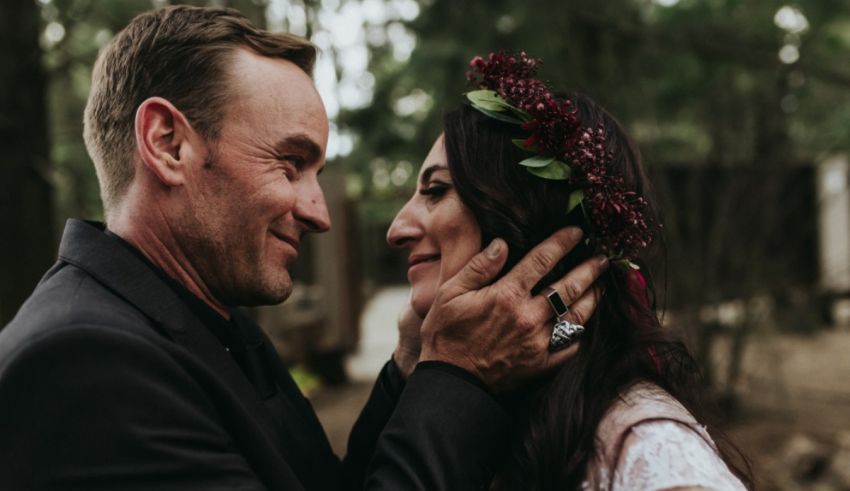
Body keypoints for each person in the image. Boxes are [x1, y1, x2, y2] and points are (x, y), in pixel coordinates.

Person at [0, 10, 608, 491]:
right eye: (290, 164)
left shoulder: (204, 322)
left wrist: (412, 366)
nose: (319, 213)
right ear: (168, 145)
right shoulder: (86, 366)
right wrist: (461, 378)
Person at [387, 51, 754, 490]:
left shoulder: (654, 457)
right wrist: (419, 366)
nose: (396, 230)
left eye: (435, 190)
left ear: (522, 215)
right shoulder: (504, 400)